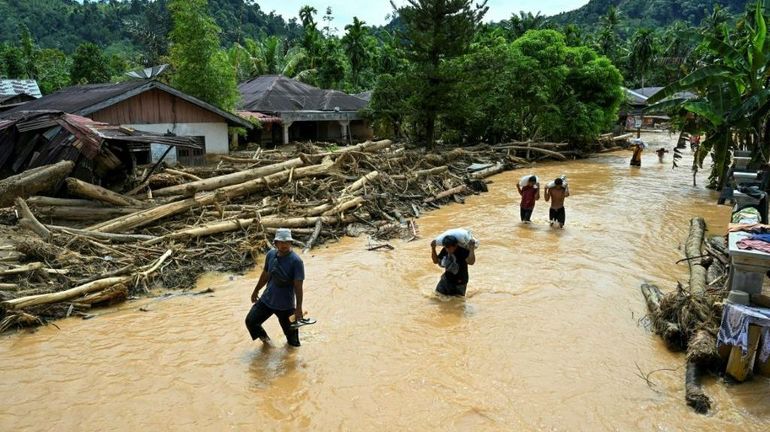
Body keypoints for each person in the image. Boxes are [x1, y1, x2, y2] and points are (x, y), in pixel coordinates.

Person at [246, 228, 305, 347]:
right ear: (276, 243)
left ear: (291, 243)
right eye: (281, 242)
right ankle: (267, 344)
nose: (284, 245)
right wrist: (256, 290)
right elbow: (265, 275)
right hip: (267, 299)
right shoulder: (271, 255)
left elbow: (298, 287)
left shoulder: (296, 261)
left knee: (293, 343)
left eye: (287, 242)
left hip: (286, 306)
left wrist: (298, 308)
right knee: (251, 322)